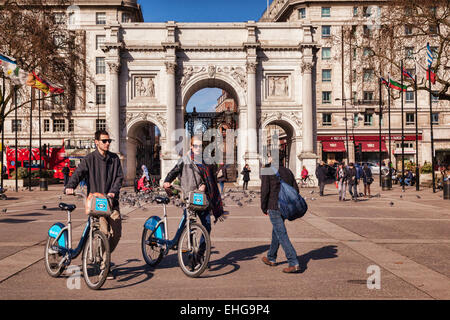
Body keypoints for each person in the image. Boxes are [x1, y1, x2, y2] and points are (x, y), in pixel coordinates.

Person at [65, 130, 123, 280]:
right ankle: (105, 266)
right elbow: (78, 173)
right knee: (104, 233)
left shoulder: (114, 158)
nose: (108, 143)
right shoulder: (89, 159)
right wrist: (70, 186)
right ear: (96, 142)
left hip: (112, 202)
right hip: (97, 204)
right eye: (104, 141)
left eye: (109, 141)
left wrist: (112, 192)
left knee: (116, 233)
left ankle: (104, 256)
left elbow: (119, 178)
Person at [163, 135, 224, 263]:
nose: (198, 148)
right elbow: (174, 171)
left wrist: (205, 186)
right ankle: (188, 251)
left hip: (202, 199)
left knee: (207, 227)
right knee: (188, 224)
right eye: (195, 145)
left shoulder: (206, 160)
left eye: (200, 146)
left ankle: (199, 253)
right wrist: (167, 181)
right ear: (191, 147)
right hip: (188, 198)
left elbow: (211, 179)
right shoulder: (184, 160)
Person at [260, 155, 300, 273]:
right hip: (286, 207)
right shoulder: (288, 171)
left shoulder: (268, 170)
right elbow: (295, 190)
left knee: (282, 234)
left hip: (274, 206)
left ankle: (293, 262)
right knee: (277, 231)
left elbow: (264, 191)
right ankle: (271, 257)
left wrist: (263, 207)